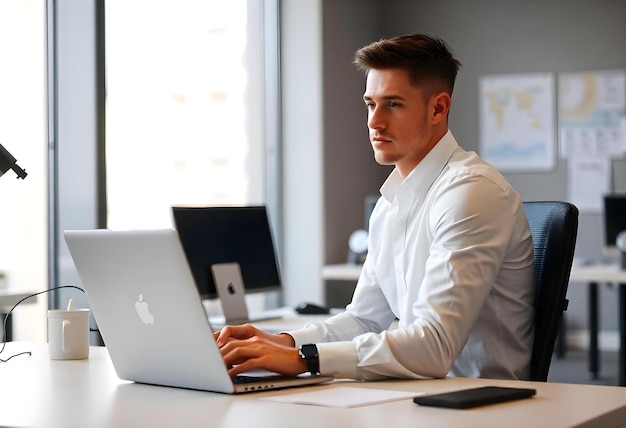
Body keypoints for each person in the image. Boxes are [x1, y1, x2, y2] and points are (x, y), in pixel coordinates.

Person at [214, 33, 535, 381]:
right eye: (370, 104)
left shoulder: (472, 193)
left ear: (438, 108)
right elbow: (364, 320)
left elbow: (434, 346)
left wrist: (306, 359)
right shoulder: (390, 204)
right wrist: (283, 342)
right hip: (413, 395)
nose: (374, 121)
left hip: (481, 405)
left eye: (393, 104)